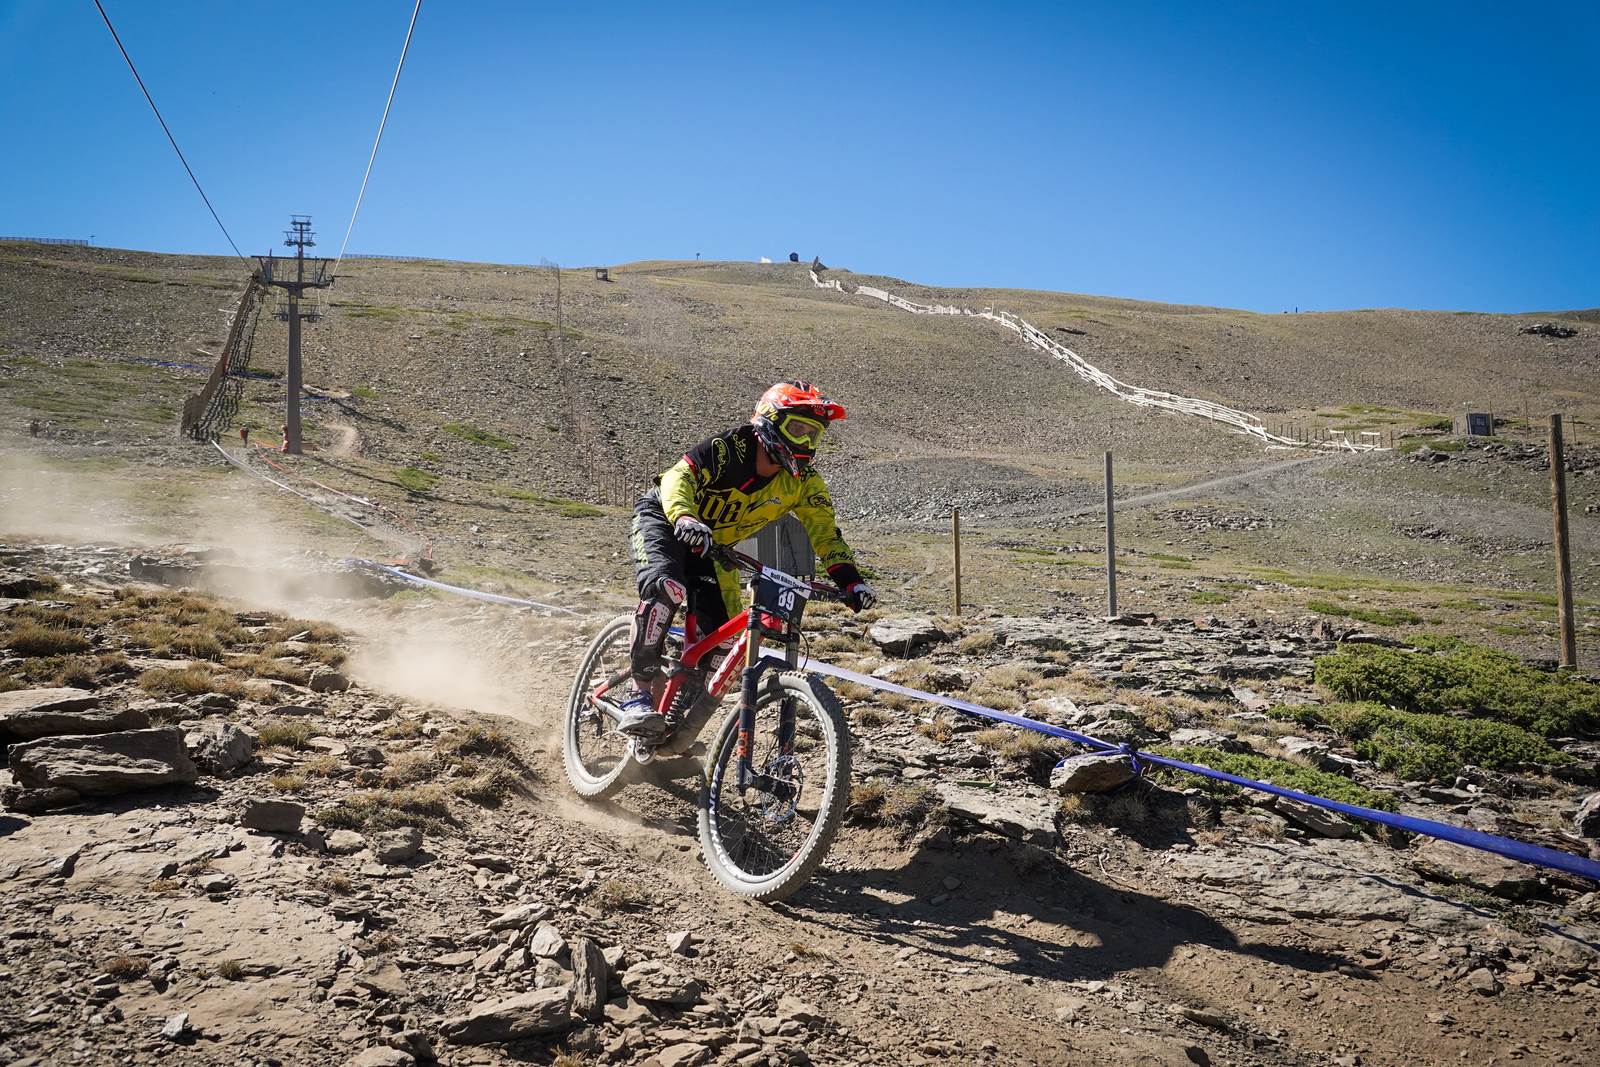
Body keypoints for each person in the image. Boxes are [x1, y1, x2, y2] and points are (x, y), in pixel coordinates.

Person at [617, 380, 876, 739]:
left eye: (813, 435)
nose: (805, 443)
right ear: (770, 421)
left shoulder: (804, 482)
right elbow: (680, 476)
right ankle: (638, 696)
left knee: (721, 643)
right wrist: (685, 517)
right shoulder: (729, 448)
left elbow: (825, 533)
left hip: (714, 548)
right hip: (666, 519)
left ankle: (674, 727)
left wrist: (851, 581)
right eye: (797, 430)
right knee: (667, 590)